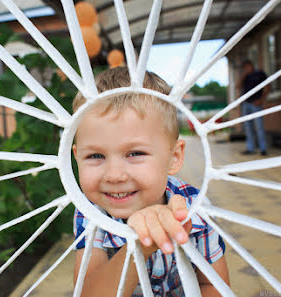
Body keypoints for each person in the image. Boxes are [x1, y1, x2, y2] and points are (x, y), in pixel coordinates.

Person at [72, 66, 229, 297]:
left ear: (173, 157)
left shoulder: (196, 207)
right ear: (76, 158)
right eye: (95, 156)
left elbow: (213, 286)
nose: (114, 175)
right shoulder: (91, 213)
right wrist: (140, 246)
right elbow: (87, 294)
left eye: (135, 153)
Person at [236, 60, 269, 156]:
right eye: (244, 68)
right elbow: (237, 87)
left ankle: (263, 148)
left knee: (259, 127)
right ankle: (251, 148)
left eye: (246, 67)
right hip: (246, 104)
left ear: (251, 65)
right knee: (248, 127)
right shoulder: (245, 77)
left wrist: (261, 100)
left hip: (256, 104)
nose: (245, 69)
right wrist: (244, 75)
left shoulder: (260, 74)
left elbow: (267, 87)